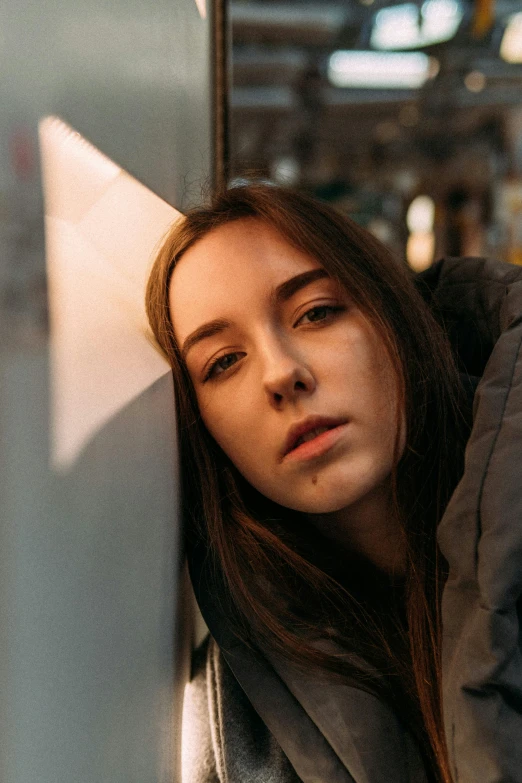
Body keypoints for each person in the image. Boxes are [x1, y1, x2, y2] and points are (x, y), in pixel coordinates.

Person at [145, 183, 522, 783]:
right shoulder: (228, 721)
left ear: (395, 316)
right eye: (223, 362)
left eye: (316, 312)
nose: (281, 373)